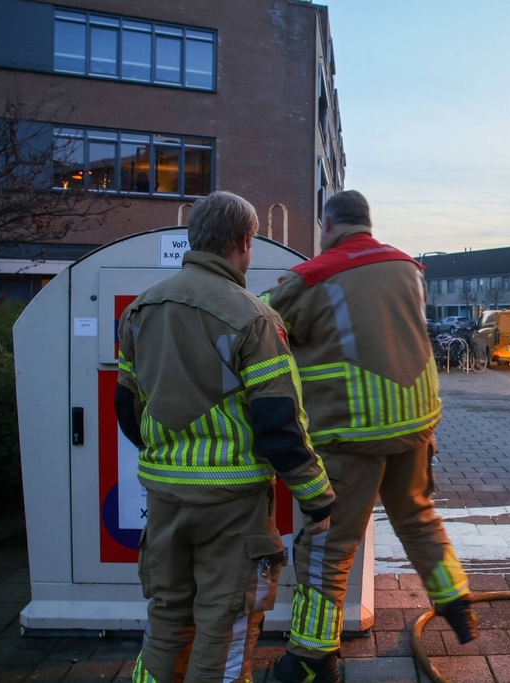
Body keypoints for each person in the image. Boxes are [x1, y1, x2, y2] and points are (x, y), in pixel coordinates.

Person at [115, 190, 335, 683]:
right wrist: (317, 498)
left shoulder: (141, 311)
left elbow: (125, 407)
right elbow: (279, 422)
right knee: (226, 623)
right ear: (244, 242)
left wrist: (166, 458)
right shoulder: (254, 318)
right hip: (232, 508)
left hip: (165, 498)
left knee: (168, 615)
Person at [265, 190, 478, 683]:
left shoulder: (311, 276)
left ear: (327, 224)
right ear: (368, 222)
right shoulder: (408, 268)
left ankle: (312, 660)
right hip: (416, 423)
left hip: (351, 431)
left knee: (328, 546)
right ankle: (455, 599)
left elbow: (255, 327)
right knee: (417, 517)